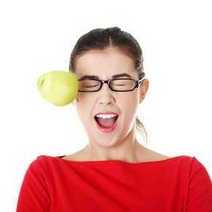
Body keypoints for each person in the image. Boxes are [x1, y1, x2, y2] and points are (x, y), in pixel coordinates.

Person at [16, 27, 212, 211]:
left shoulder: (187, 177)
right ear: (75, 92)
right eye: (90, 83)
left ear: (142, 91)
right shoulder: (45, 176)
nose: (105, 98)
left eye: (120, 82)